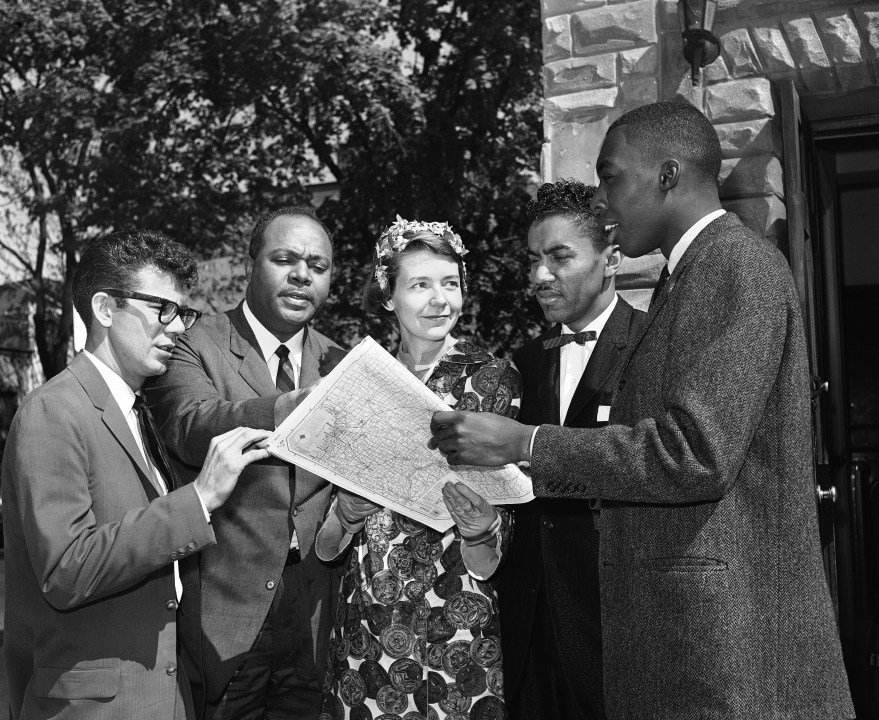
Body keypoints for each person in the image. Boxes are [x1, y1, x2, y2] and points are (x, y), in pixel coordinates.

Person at [429, 101, 855, 718]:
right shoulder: (687, 278)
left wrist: (527, 444)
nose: (601, 201)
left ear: (668, 174)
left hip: (722, 643)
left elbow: (694, 453)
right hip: (674, 637)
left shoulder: (736, 265)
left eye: (611, 177)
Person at [2, 231, 271, 720]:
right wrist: (200, 498)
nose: (177, 329)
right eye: (161, 309)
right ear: (105, 309)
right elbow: (66, 570)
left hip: (161, 697)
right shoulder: (53, 412)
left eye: (183, 313)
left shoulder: (136, 409)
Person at [144, 206, 346, 719]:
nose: (303, 275)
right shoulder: (192, 343)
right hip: (228, 609)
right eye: (286, 259)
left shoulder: (343, 362)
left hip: (318, 607)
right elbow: (191, 426)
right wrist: (292, 407)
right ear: (252, 263)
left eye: (318, 267)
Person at [314, 218, 520, 720]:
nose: (439, 299)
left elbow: (504, 519)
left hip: (459, 629)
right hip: (368, 627)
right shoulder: (358, 379)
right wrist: (344, 511)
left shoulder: (493, 378)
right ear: (389, 295)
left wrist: (481, 530)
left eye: (450, 283)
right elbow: (325, 541)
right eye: (420, 284)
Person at [501, 179, 643, 719]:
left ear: (610, 259)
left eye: (560, 256)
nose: (540, 276)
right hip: (529, 631)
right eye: (534, 259)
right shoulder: (523, 363)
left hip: (618, 627)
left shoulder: (652, 347)